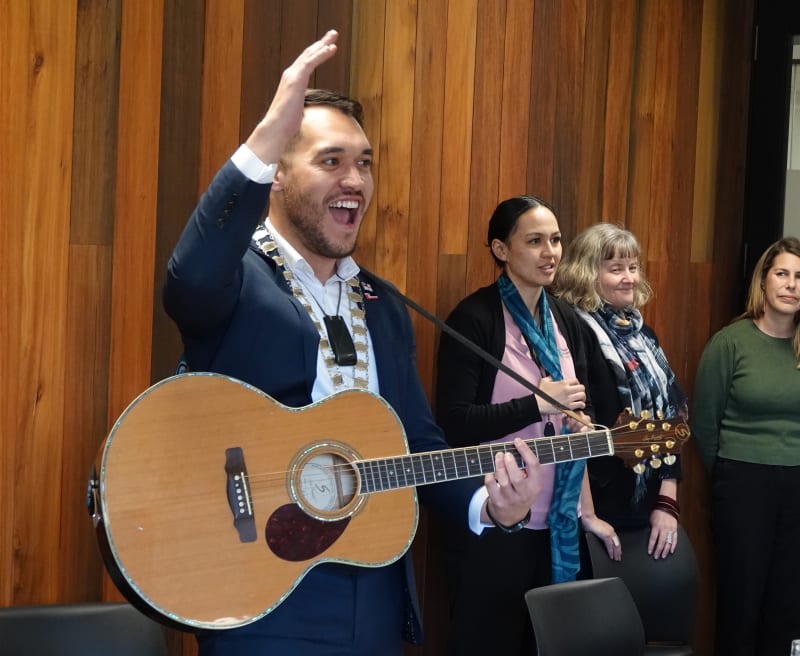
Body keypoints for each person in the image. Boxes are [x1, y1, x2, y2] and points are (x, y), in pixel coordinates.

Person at [162, 30, 542, 656]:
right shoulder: (235, 279)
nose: (356, 180)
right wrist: (264, 138)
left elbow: (417, 446)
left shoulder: (385, 306)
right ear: (277, 176)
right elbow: (188, 281)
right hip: (261, 594)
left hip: (374, 592)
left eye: (364, 162)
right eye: (331, 160)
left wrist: (491, 505)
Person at [434, 196, 620, 655]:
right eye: (534, 241)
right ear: (501, 249)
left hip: (558, 522)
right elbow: (453, 424)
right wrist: (535, 406)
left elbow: (581, 416)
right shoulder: (474, 318)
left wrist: (588, 510)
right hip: (498, 523)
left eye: (555, 240)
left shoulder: (569, 321)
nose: (550, 252)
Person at [690, 236, 800, 656]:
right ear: (764, 281)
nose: (791, 285)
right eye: (782, 274)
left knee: (788, 604)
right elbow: (705, 421)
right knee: (741, 603)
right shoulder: (730, 343)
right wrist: (736, 473)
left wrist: (789, 455)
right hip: (742, 480)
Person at [553, 222, 686, 559]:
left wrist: (667, 500)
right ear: (587, 274)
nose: (630, 278)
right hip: (596, 513)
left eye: (633, 267)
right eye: (616, 269)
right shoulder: (574, 333)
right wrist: (589, 514)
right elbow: (576, 430)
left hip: (651, 510)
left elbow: (673, 420)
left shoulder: (644, 334)